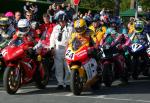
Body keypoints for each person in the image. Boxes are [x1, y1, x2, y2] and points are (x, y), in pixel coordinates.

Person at [50, 14, 73, 90]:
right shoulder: (56, 28)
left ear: (66, 21)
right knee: (58, 68)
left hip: (67, 49)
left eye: (63, 21)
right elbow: (52, 38)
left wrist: (70, 47)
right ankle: (60, 83)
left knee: (68, 67)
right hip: (58, 49)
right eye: (60, 21)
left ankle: (68, 83)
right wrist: (52, 48)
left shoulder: (70, 28)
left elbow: (73, 39)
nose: (62, 23)